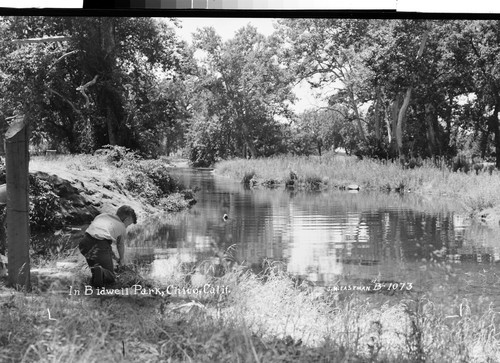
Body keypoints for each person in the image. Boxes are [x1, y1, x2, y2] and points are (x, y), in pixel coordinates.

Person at [78, 205, 137, 287]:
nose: (126, 227)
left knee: (95, 271)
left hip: (84, 243)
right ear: (127, 219)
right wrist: (122, 259)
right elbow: (119, 245)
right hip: (100, 244)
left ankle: (95, 285)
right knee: (111, 277)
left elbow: (102, 243)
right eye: (128, 224)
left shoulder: (102, 216)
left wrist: (116, 258)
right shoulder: (122, 227)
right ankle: (102, 273)